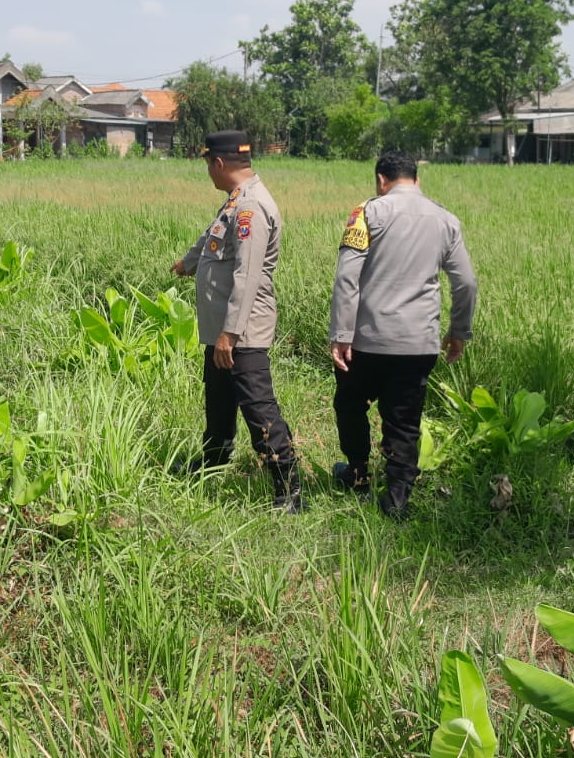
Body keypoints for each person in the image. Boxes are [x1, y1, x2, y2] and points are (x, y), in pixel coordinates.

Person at [329, 152, 478, 518]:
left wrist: (341, 334)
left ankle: (358, 473)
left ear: (381, 180)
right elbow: (466, 284)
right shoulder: (446, 220)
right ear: (417, 180)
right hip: (418, 343)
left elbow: (347, 278)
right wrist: (458, 332)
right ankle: (396, 500)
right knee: (404, 420)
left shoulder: (367, 212)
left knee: (350, 405)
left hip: (367, 340)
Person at [171, 130, 302, 513]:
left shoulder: (251, 208)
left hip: (241, 332)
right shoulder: (235, 201)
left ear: (219, 163)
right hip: (222, 331)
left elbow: (248, 275)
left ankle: (289, 488)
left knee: (259, 408)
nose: (207, 172)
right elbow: (212, 240)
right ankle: (213, 461)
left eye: (207, 164)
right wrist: (188, 263)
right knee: (219, 404)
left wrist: (230, 334)